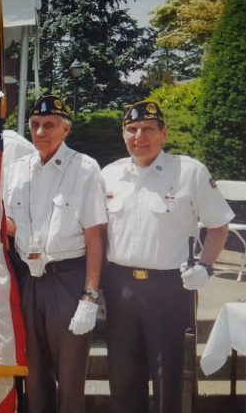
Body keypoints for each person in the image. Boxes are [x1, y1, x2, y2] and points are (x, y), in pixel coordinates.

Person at [101, 101, 233, 413]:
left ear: (164, 133)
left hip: (170, 291)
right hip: (120, 289)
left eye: (147, 129)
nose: (139, 136)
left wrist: (205, 265)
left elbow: (219, 225)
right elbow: (99, 232)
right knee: (122, 379)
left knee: (171, 379)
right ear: (123, 134)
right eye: (131, 129)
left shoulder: (190, 172)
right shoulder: (110, 174)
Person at [3, 95, 106, 413]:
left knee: (70, 375)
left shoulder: (85, 169)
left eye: (49, 125)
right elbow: (11, 225)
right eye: (34, 124)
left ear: (65, 128)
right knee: (34, 376)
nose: (40, 131)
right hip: (30, 282)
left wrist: (89, 297)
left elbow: (95, 238)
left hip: (68, 280)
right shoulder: (19, 170)